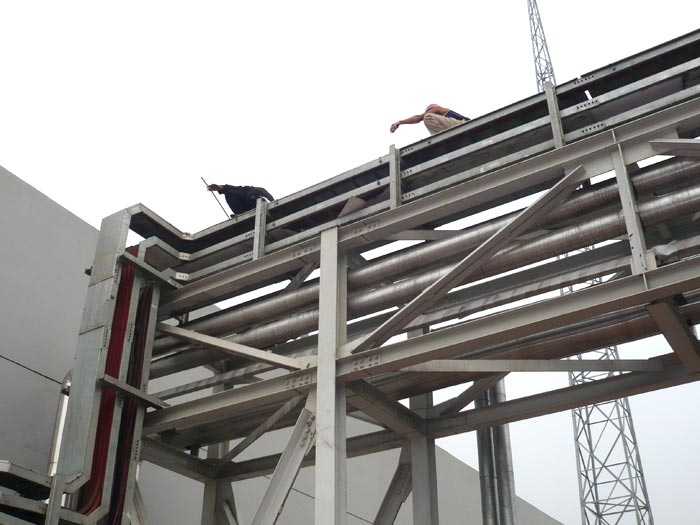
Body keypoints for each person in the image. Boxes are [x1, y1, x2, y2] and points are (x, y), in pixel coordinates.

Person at [389, 103, 469, 135]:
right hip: (455, 126)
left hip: (463, 123)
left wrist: (399, 122)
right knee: (428, 120)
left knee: (427, 117)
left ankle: (442, 136)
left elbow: (418, 118)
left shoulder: (437, 109)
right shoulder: (439, 119)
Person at [207, 184, 275, 217]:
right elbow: (235, 190)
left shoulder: (255, 190)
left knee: (230, 193)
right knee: (229, 193)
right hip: (246, 209)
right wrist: (221, 188)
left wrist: (273, 204)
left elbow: (269, 198)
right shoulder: (242, 191)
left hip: (261, 205)